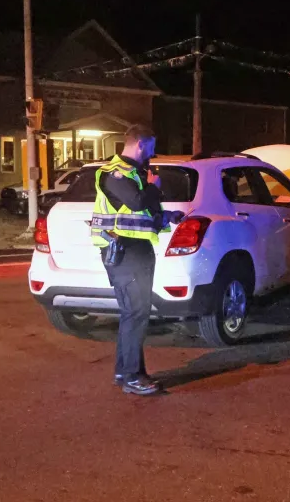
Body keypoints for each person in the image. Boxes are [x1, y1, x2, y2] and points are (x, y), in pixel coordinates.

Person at [89, 125, 184, 396]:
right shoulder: (115, 172)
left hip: (135, 250)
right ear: (141, 144)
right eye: (151, 146)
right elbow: (136, 202)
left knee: (132, 313)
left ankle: (126, 372)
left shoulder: (135, 173)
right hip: (125, 251)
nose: (153, 152)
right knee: (136, 313)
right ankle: (132, 377)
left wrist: (167, 217)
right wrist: (154, 187)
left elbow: (139, 214)